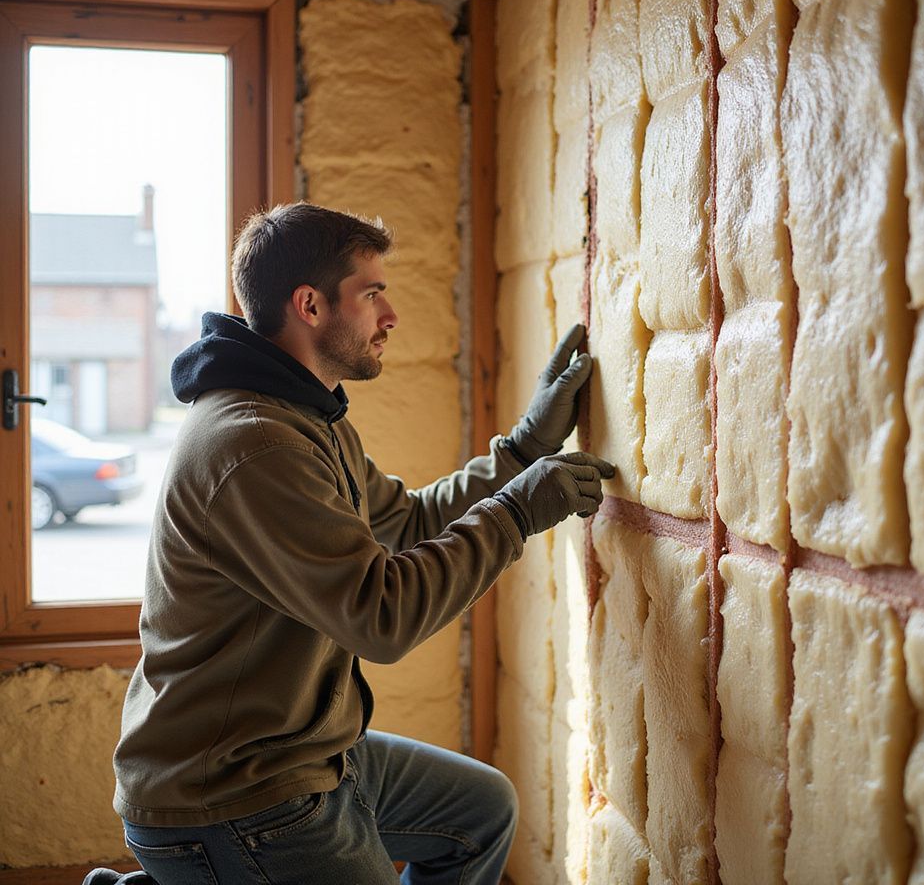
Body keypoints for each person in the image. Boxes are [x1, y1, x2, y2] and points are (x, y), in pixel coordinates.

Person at [90, 202, 613, 885]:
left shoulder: (309, 416)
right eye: (371, 295)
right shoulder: (254, 445)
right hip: (232, 795)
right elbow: (381, 616)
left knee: (480, 812)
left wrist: (521, 452)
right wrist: (515, 514)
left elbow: (409, 521)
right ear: (309, 305)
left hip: (302, 753)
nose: (390, 315)